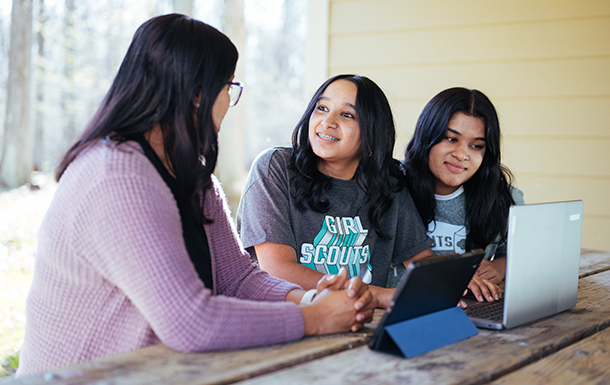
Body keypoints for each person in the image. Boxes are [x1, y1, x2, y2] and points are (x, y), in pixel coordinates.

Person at [16, 15, 374, 377]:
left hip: (162, 372)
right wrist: (312, 318)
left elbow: (238, 279)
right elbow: (190, 321)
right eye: (227, 87)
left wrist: (309, 298)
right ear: (198, 95)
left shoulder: (191, 174)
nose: (228, 101)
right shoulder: (115, 176)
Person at [236, 74, 437, 309]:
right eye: (322, 108)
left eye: (347, 115)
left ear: (372, 132)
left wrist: (455, 280)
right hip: (283, 318)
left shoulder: (389, 185)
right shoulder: (275, 167)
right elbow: (278, 271)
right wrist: (380, 295)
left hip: (360, 320)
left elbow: (422, 260)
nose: (327, 122)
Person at [387, 87, 525, 297]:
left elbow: (524, 252)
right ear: (427, 136)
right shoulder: (392, 183)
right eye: (451, 139)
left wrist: (500, 266)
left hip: (470, 311)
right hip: (393, 309)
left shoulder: (502, 197)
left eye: (476, 145)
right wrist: (455, 276)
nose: (462, 155)